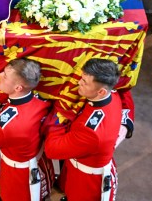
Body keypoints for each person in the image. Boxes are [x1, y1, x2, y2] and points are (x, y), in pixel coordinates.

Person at [0, 58, 54, 201]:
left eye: (5, 75)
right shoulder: (43, 100)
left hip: (18, 176)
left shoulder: (7, 124)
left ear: (18, 88)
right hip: (40, 163)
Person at [44, 58, 123, 201]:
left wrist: (59, 114)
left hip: (86, 183)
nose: (78, 82)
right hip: (81, 167)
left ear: (101, 92)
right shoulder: (113, 95)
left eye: (85, 82)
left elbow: (52, 150)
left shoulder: (91, 133)